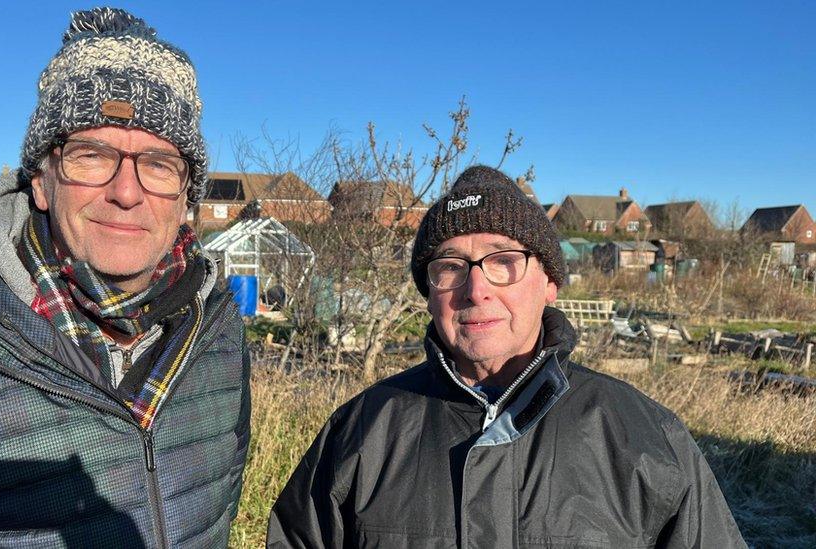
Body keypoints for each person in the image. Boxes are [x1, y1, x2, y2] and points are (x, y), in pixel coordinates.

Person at [0, 7, 250, 548]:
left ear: (186, 196)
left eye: (158, 163)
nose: (126, 192)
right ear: (40, 181)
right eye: (91, 154)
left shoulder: (218, 337)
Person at [268, 166, 745, 548]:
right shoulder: (360, 432)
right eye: (451, 266)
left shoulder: (644, 436)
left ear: (550, 283)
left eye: (503, 262)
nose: (476, 290)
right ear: (429, 293)